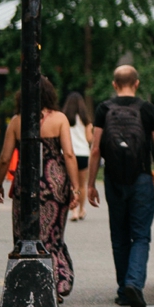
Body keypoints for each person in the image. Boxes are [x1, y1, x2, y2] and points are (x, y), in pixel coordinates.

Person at [87, 63, 154, 307]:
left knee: (119, 235)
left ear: (115, 85)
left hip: (113, 180)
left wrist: (90, 184)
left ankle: (123, 290)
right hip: (141, 179)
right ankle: (134, 284)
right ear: (136, 83)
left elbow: (95, 149)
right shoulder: (147, 109)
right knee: (140, 235)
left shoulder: (104, 109)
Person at [0, 76, 78, 299]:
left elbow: (4, 158)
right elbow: (68, 154)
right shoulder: (59, 119)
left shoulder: (16, 121)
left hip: (25, 185)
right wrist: (76, 188)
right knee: (52, 236)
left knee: (25, 236)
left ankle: (30, 286)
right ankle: (57, 285)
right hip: (55, 184)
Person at [63, 92, 93, 221]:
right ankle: (81, 209)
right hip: (82, 153)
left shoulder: (64, 119)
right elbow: (89, 138)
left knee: (70, 184)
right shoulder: (86, 121)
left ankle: (73, 210)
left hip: (68, 153)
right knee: (82, 184)